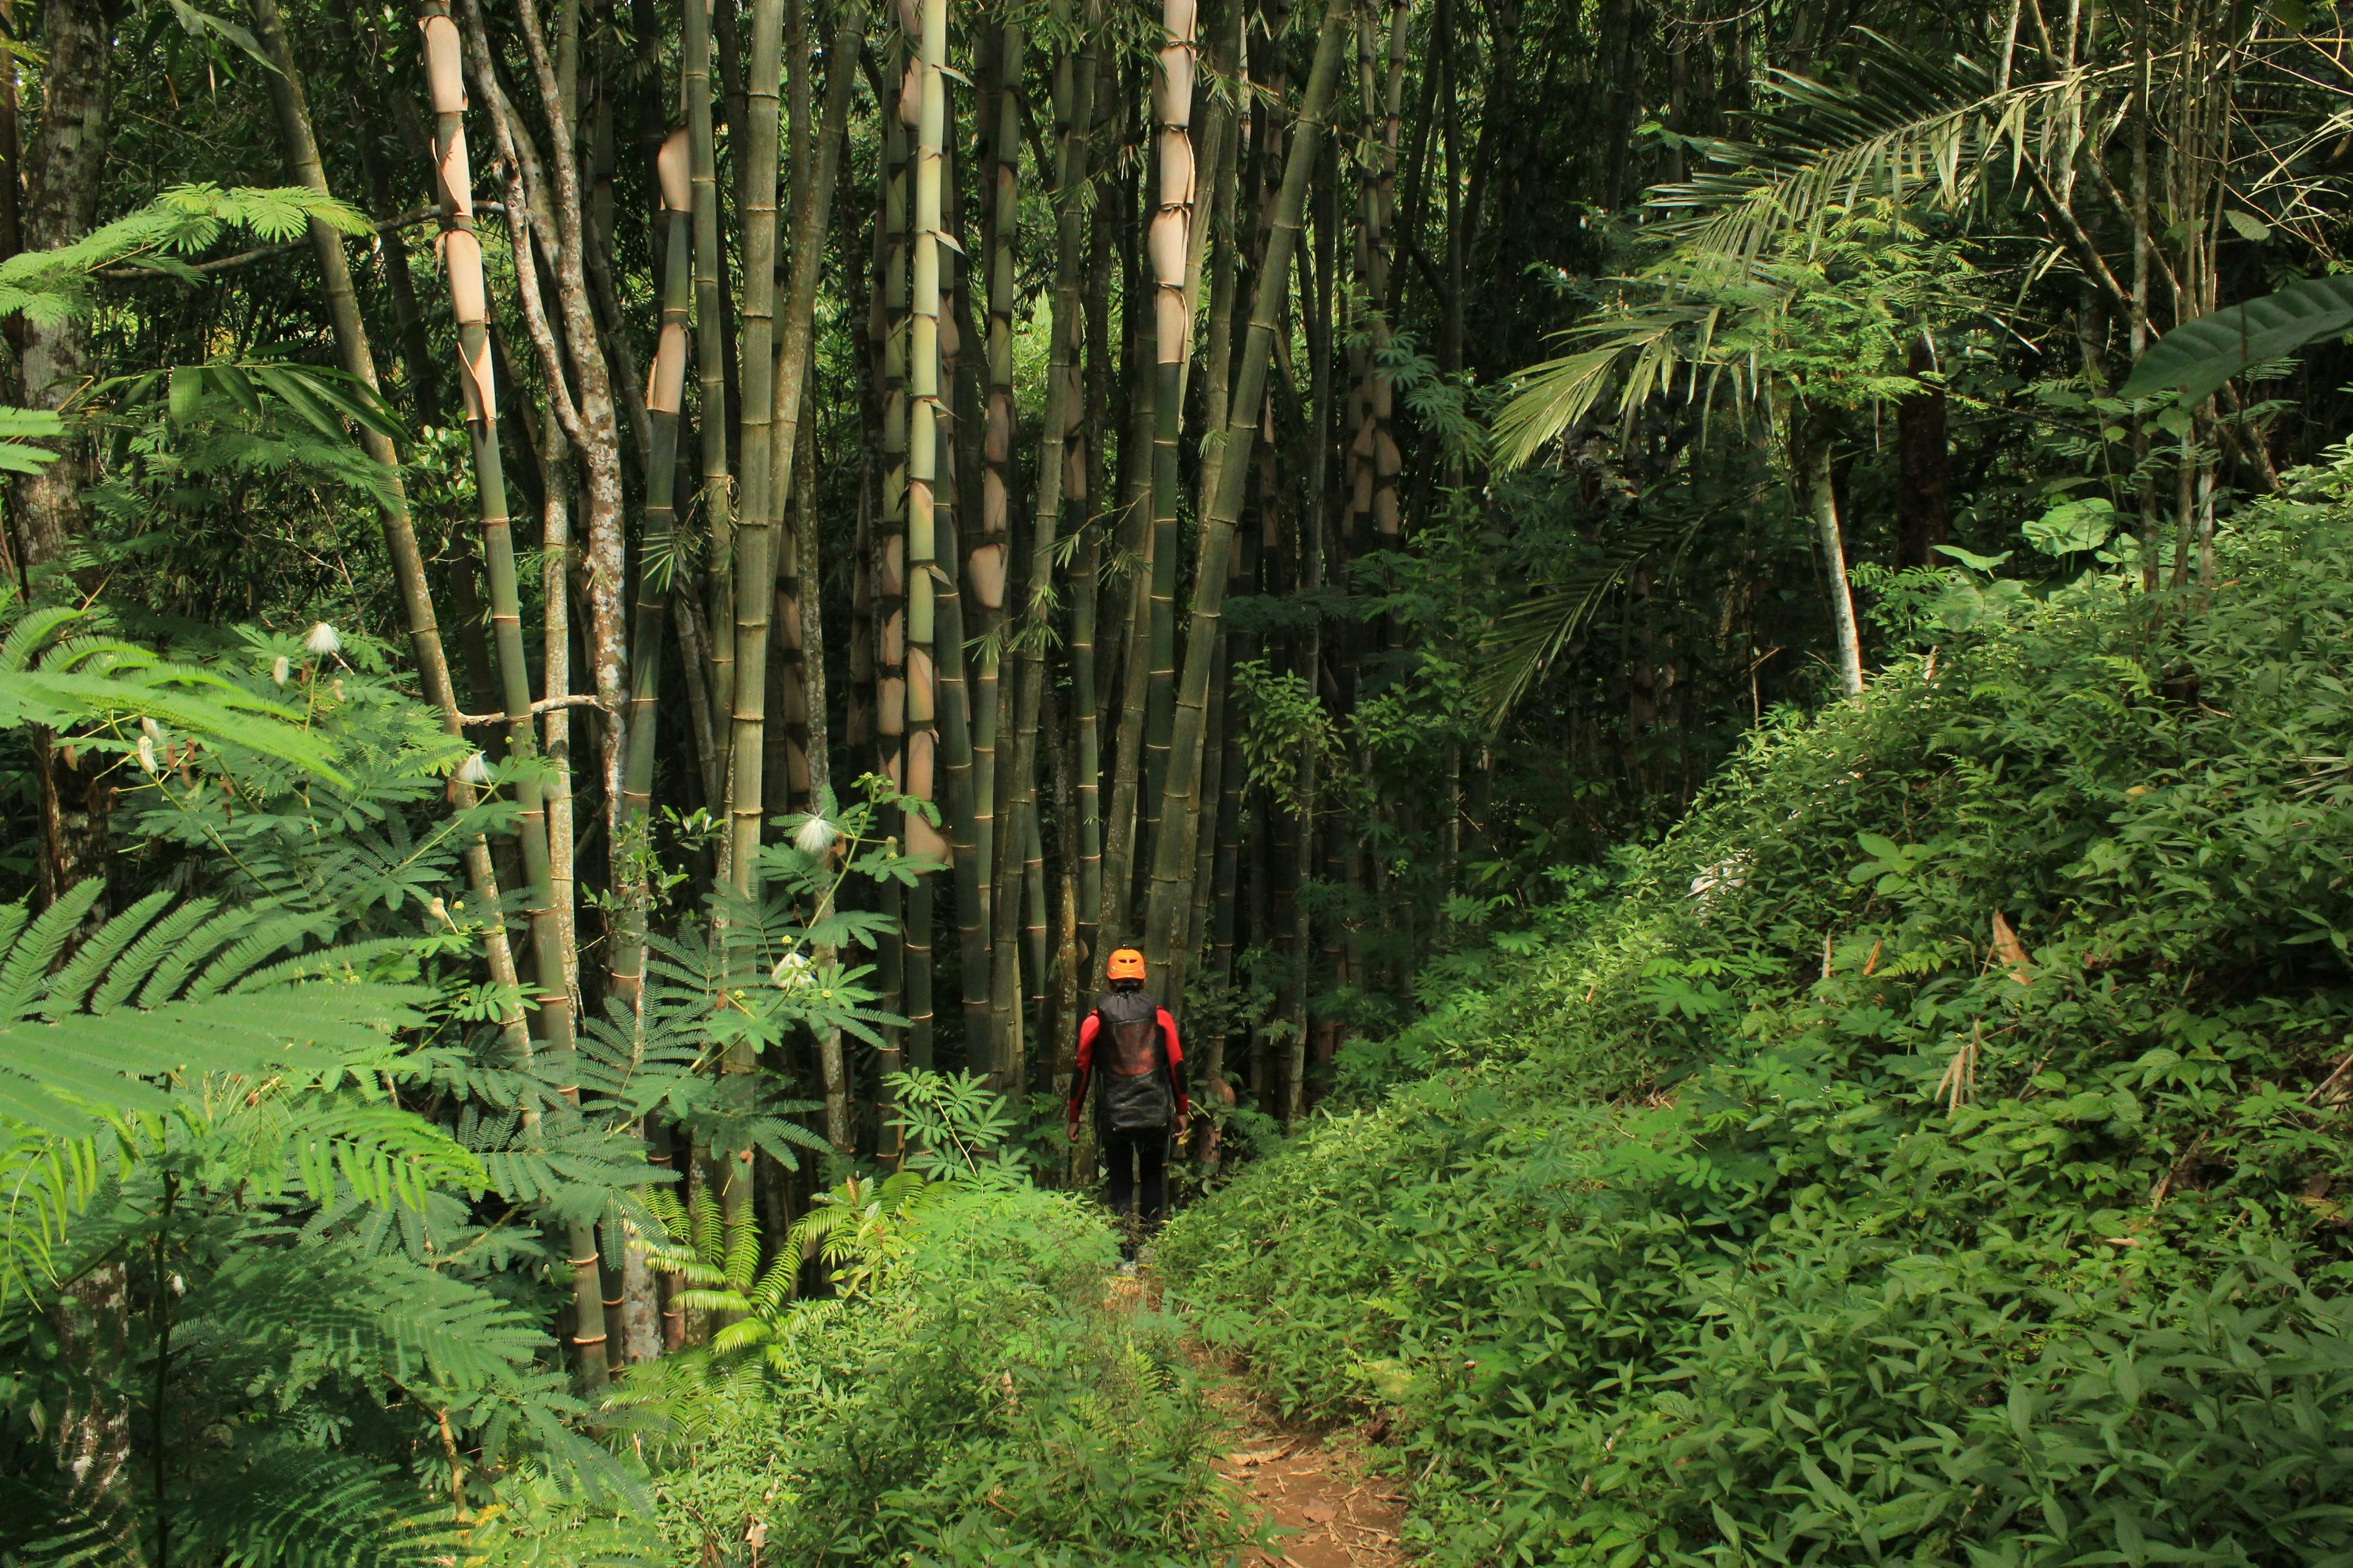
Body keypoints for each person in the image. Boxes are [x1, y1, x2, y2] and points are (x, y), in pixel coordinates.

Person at [1067, 948, 1189, 1242]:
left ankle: (1125, 1256)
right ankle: (1148, 1247)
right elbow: (1177, 1066)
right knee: (1151, 1177)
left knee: (1120, 1183)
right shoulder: (1161, 1018)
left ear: (1110, 983)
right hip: (1154, 1114)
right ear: (1143, 981)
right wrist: (1182, 1110)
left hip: (1115, 1117)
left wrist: (1074, 1117)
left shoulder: (1096, 1021)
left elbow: (1081, 1070)